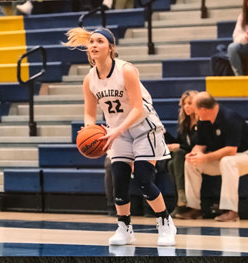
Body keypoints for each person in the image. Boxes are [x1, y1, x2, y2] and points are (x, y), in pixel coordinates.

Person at [63, 27, 176, 246]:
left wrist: (116, 130)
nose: (94, 45)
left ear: (111, 48)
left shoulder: (126, 70)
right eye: (92, 42)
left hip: (144, 128)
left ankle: (165, 223)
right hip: (116, 132)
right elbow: (89, 113)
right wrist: (89, 130)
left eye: (100, 41)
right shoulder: (89, 80)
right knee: (120, 181)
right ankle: (124, 227)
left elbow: (138, 109)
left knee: (144, 180)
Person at [178, 92, 248, 222]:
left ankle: (231, 211)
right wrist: (196, 154)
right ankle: (194, 208)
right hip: (222, 160)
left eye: (195, 109)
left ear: (203, 110)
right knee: (191, 162)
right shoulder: (203, 121)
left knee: (227, 161)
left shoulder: (230, 118)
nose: (194, 113)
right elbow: (200, 145)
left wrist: (205, 158)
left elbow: (231, 150)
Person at [165, 90, 198, 219]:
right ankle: (181, 198)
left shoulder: (202, 122)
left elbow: (199, 144)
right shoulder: (185, 123)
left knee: (177, 155)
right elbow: (180, 142)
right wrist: (164, 134)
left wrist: (180, 146)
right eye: (184, 104)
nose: (186, 107)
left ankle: (181, 200)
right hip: (185, 156)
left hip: (199, 155)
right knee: (171, 163)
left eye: (190, 103)